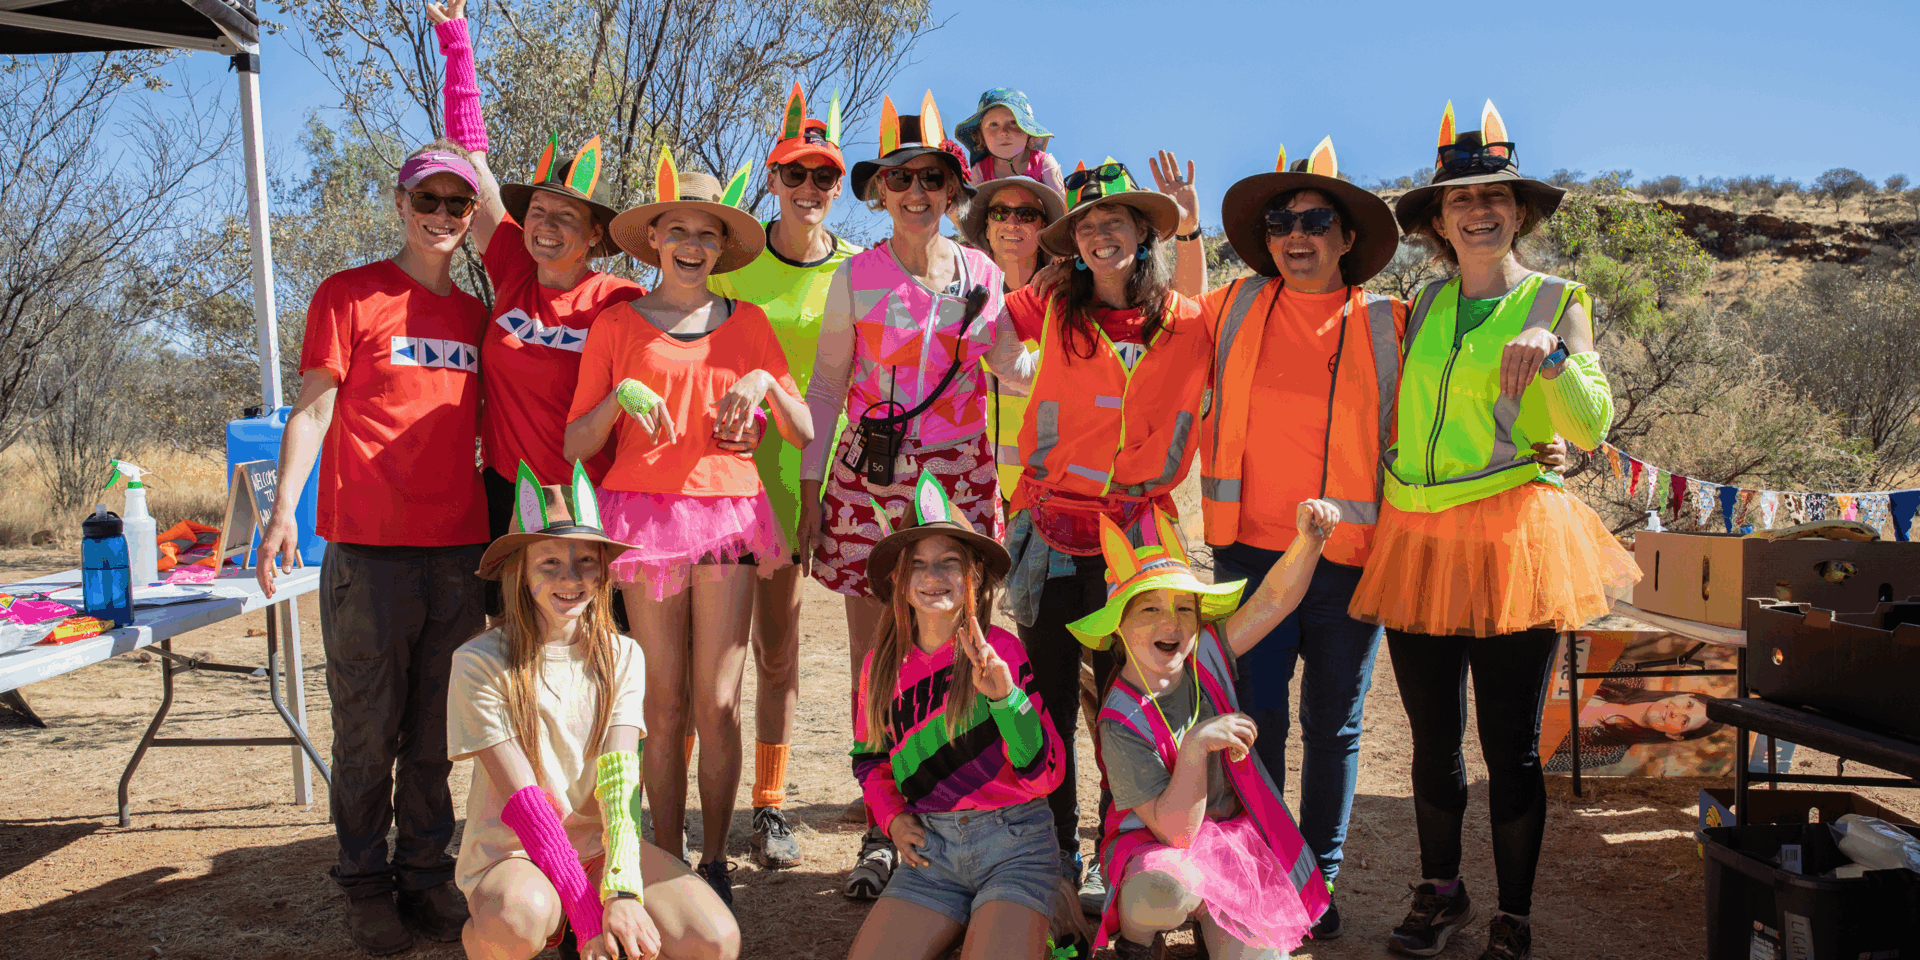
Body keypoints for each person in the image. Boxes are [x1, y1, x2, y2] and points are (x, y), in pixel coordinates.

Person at [1348, 101, 1638, 960]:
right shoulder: (1424, 305)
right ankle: (1442, 894)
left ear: (1520, 212)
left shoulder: (1559, 298)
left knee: (1507, 747)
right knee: (1433, 741)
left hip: (1516, 542)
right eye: (1460, 198)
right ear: (1438, 221)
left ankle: (1514, 915)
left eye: (1496, 196)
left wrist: (1554, 350)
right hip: (1419, 544)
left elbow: (1588, 428)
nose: (1480, 209)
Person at [796, 91, 1034, 898]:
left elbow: (1012, 366)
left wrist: (1087, 335)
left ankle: (962, 809)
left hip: (962, 484)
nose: (916, 192)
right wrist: (808, 488)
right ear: (879, 192)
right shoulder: (854, 277)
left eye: (931, 177)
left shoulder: (983, 274)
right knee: (880, 660)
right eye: (899, 179)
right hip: (871, 484)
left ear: (952, 188)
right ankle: (881, 825)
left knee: (966, 650)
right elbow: (828, 389)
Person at [564, 150, 815, 908]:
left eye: (707, 233)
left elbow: (802, 430)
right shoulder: (616, 325)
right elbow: (576, 442)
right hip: (640, 519)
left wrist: (765, 379)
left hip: (732, 517)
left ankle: (713, 863)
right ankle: (662, 859)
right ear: (655, 240)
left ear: (721, 247)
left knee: (720, 702)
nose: (693, 244)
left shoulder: (751, 325)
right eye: (679, 229)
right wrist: (621, 398)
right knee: (660, 704)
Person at [255, 143, 488, 955]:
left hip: (461, 553)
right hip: (369, 552)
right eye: (429, 200)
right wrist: (285, 508)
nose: (443, 217)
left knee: (434, 732)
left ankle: (427, 877)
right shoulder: (349, 295)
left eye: (459, 206)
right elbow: (313, 411)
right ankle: (363, 883)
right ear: (400, 203)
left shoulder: (475, 317)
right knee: (366, 729)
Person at [1179, 136, 1405, 940]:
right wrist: (1182, 233)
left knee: (1334, 726)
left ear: (1348, 238)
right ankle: (1273, 867)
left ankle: (1322, 876)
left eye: (1315, 219)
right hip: (1248, 553)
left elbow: (1453, 416)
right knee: (1255, 720)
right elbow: (1168, 320)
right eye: (1281, 221)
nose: (1297, 234)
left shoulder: (1391, 322)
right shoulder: (1236, 305)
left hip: (1348, 563)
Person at [999, 158, 1201, 910]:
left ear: (1144, 234)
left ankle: (1129, 840)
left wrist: (1193, 222)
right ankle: (1058, 851)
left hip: (1139, 539)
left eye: (1114, 221)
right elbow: (984, 334)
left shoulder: (1181, 321)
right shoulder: (1054, 307)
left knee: (1136, 697)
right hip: (1051, 527)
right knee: (1048, 695)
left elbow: (1206, 303)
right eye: (1085, 225)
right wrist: (1030, 307)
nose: (1098, 235)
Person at [450, 461, 739, 960]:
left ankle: (576, 916)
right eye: (549, 564)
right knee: (516, 919)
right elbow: (526, 805)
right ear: (519, 572)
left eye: (587, 560)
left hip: (601, 849)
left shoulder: (623, 655)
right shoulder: (479, 661)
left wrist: (623, 891)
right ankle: (498, 940)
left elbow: (621, 781)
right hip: (516, 854)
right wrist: (590, 922)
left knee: (715, 940)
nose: (571, 578)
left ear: (605, 570)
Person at [1067, 502, 1342, 960]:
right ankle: (1137, 937)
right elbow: (1176, 834)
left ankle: (1211, 919)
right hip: (1152, 850)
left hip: (1227, 843)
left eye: (1183, 607)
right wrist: (1196, 745)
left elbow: (1273, 600)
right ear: (1118, 628)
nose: (1169, 623)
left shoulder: (1208, 656)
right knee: (1164, 893)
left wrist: (1309, 543)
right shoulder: (1120, 720)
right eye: (1148, 608)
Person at [426, 0, 644, 570]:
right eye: (538, 212)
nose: (545, 227)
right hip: (508, 492)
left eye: (564, 217)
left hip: (590, 500)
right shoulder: (512, 269)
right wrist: (456, 41)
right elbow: (473, 160)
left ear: (596, 235)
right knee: (512, 638)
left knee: (589, 642)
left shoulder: (620, 302)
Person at [705, 83, 862, 869]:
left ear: (839, 187)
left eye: (824, 178)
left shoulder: (858, 273)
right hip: (727, 488)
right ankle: (702, 807)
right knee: (717, 661)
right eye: (794, 175)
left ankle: (769, 807)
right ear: (771, 180)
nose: (809, 191)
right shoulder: (734, 270)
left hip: (816, 488)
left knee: (779, 652)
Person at [845, 471, 1067, 960]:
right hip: (931, 854)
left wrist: (1006, 700)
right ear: (899, 580)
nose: (932, 577)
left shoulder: (1000, 650)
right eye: (918, 564)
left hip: (1015, 845)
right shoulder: (880, 667)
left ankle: (1045, 908)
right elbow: (871, 763)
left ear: (975, 576)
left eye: (949, 563)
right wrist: (893, 818)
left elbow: (1045, 773)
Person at [956, 175, 1065, 499]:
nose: (1012, 222)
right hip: (972, 482)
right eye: (999, 213)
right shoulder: (958, 296)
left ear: (1044, 229)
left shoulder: (1068, 298)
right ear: (986, 227)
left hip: (1051, 484)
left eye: (1027, 215)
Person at [1543, 681, 1724, 773]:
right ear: (1685, 694)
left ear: (1675, 735)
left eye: (1685, 721)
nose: (1677, 712)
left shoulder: (1609, 751)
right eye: (1688, 704)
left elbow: (1542, 764)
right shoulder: (1626, 677)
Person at [951, 88, 1066, 197]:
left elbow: (1061, 208)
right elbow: (969, 211)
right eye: (993, 124)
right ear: (981, 136)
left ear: (1028, 131)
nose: (1003, 132)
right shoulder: (980, 170)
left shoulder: (1044, 164)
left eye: (1013, 122)